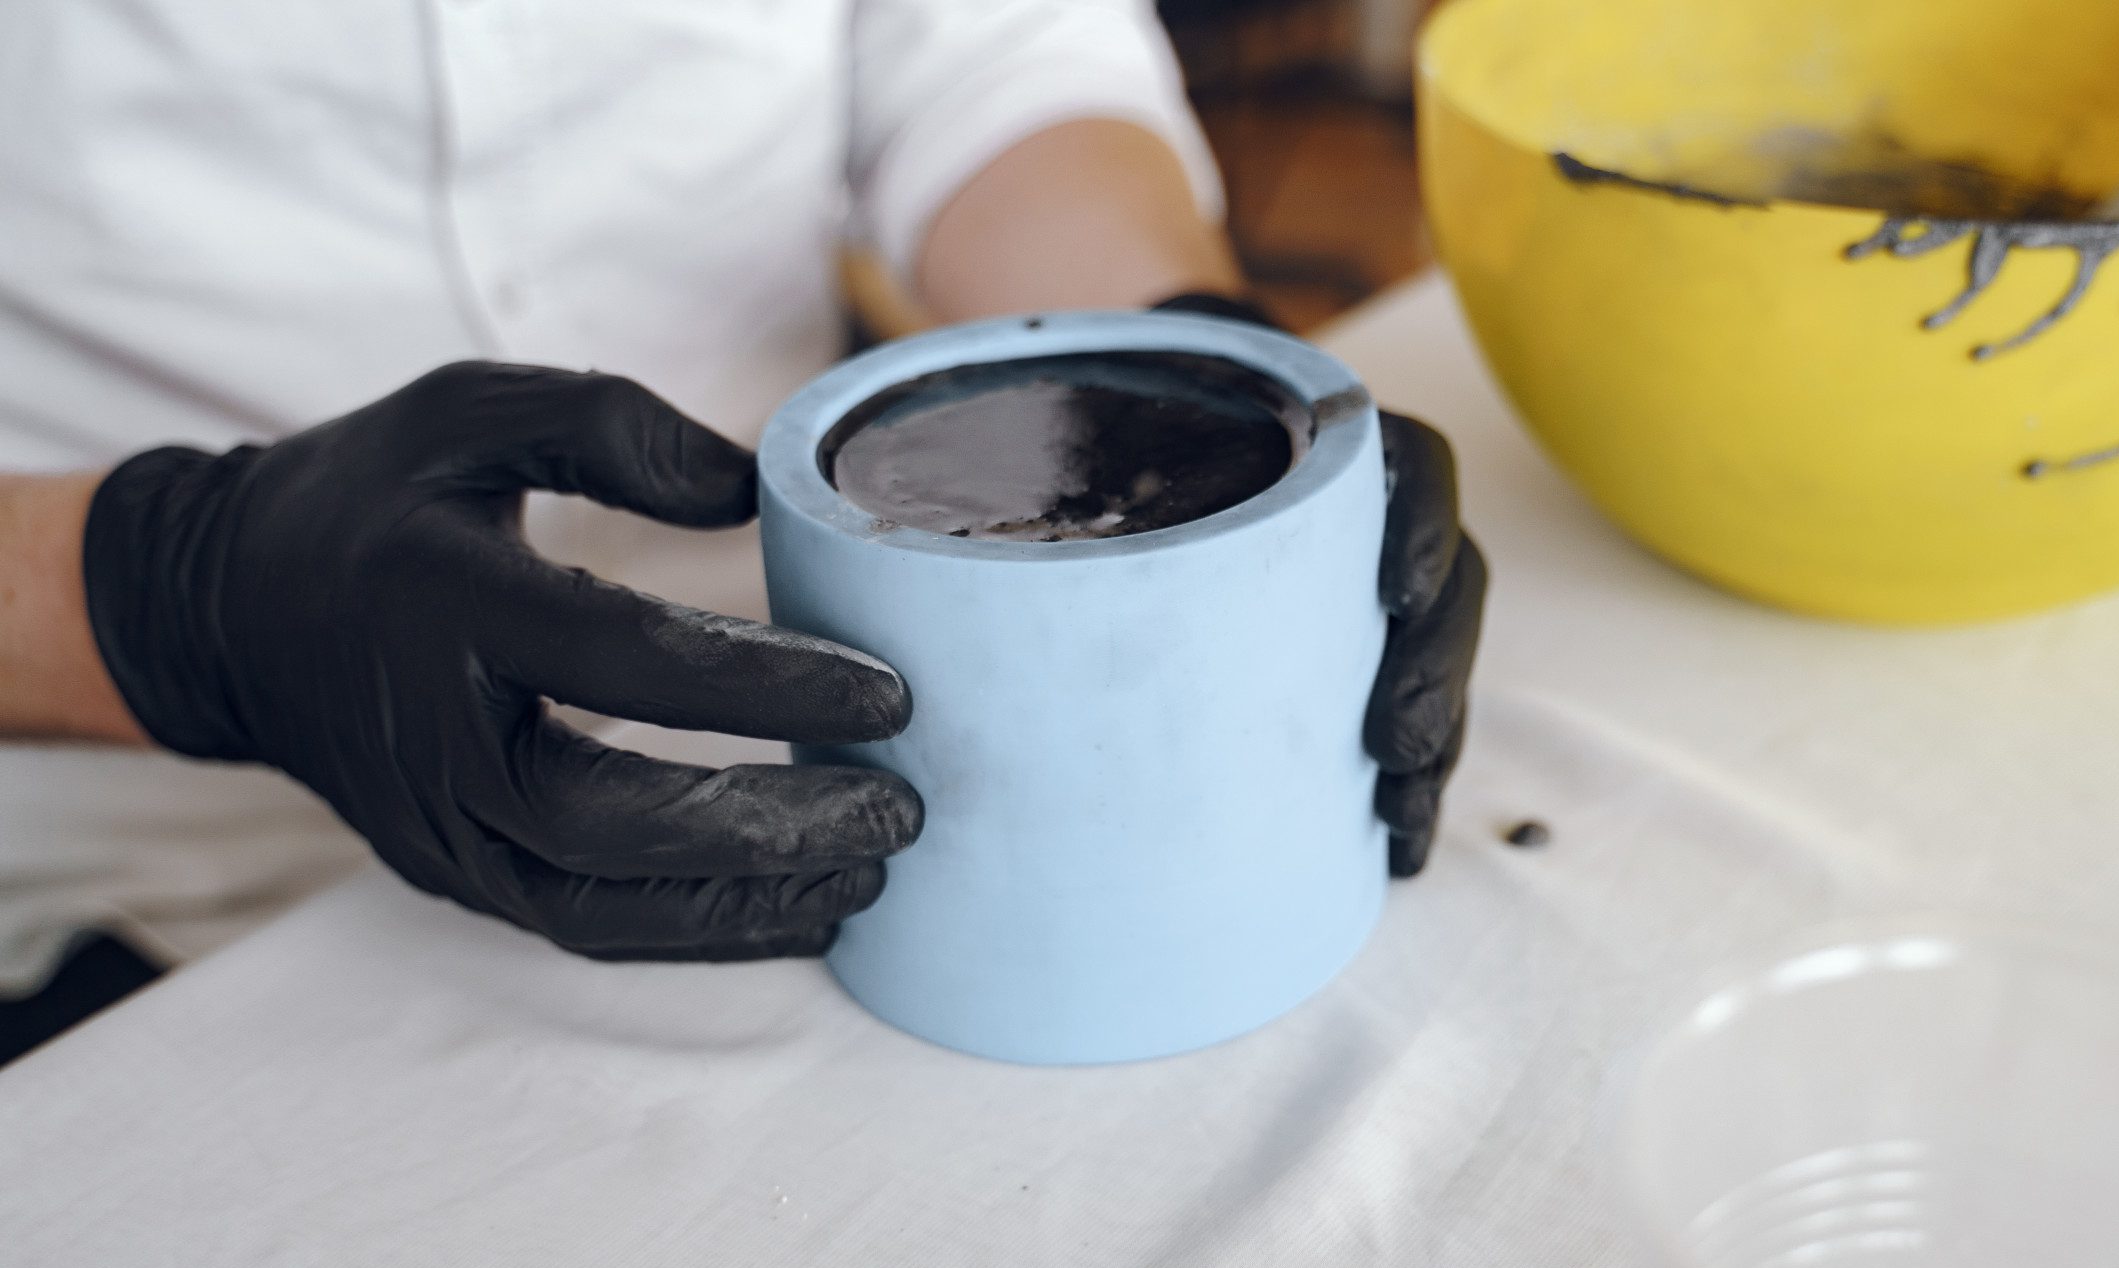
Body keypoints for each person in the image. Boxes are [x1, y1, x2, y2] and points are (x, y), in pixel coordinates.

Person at [0, 0, 1484, 1022]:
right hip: (126, 881)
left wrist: (1194, 378)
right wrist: (166, 598)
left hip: (798, 722)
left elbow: (981, 61)